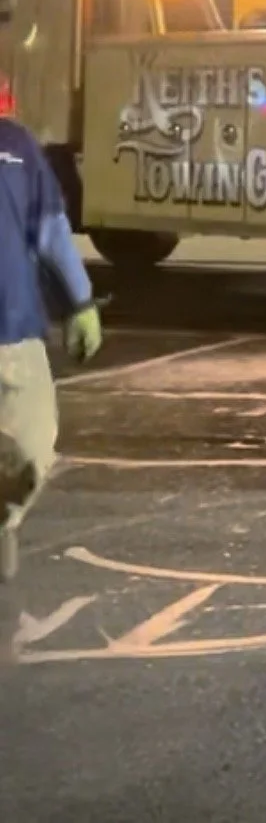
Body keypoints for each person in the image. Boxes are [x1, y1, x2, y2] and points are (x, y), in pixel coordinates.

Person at [0, 117, 102, 582]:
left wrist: (79, 301)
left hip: (16, 329)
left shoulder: (16, 143)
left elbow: (50, 230)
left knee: (33, 449)